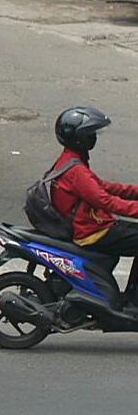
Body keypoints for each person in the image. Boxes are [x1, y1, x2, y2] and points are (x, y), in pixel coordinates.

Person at [46, 106, 138, 305]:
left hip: (93, 225)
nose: (93, 138)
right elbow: (105, 201)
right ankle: (133, 300)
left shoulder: (70, 161)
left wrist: (134, 191)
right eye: (90, 134)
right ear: (79, 138)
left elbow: (102, 187)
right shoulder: (76, 170)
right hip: (92, 232)